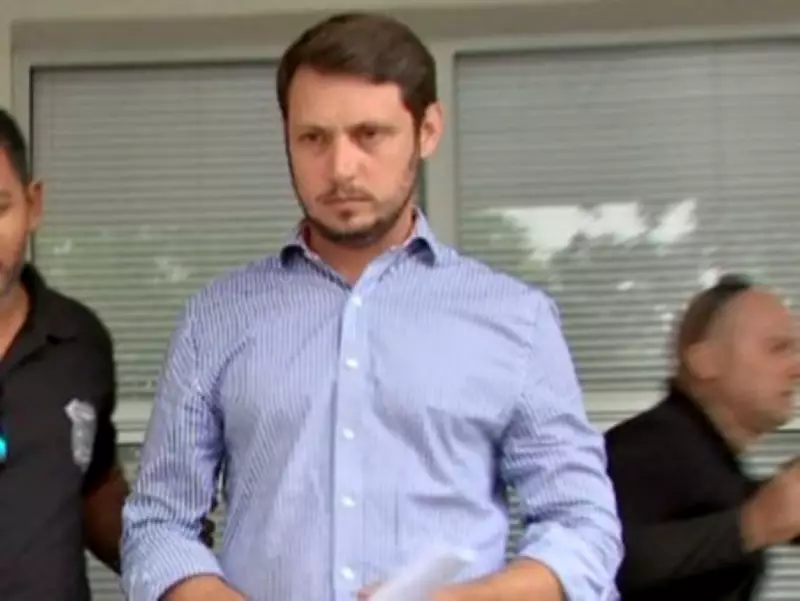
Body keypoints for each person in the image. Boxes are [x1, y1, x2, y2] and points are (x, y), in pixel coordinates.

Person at [120, 11, 622, 601]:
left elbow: (581, 525)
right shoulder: (216, 319)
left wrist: (464, 600)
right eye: (314, 138)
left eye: (369, 135)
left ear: (427, 130)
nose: (341, 169)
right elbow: (158, 523)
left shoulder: (515, 319)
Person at [0, 108, 129, 600]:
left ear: (33, 205)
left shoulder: (80, 342)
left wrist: (172, 548)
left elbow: (92, 487)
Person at [605, 275, 800, 601]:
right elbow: (599, 558)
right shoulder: (643, 449)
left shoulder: (708, 458)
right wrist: (752, 525)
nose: (797, 368)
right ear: (704, 361)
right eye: (776, 348)